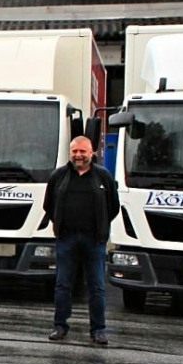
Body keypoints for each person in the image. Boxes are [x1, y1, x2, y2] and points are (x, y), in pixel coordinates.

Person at [43, 136, 119, 345]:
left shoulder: (103, 176)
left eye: (82, 151)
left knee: (97, 286)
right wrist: (59, 224)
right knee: (62, 285)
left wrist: (100, 228)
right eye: (75, 151)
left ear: (92, 152)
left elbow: (113, 207)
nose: (78, 155)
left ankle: (98, 329)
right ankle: (60, 326)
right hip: (66, 238)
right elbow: (49, 205)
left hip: (94, 240)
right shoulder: (59, 176)